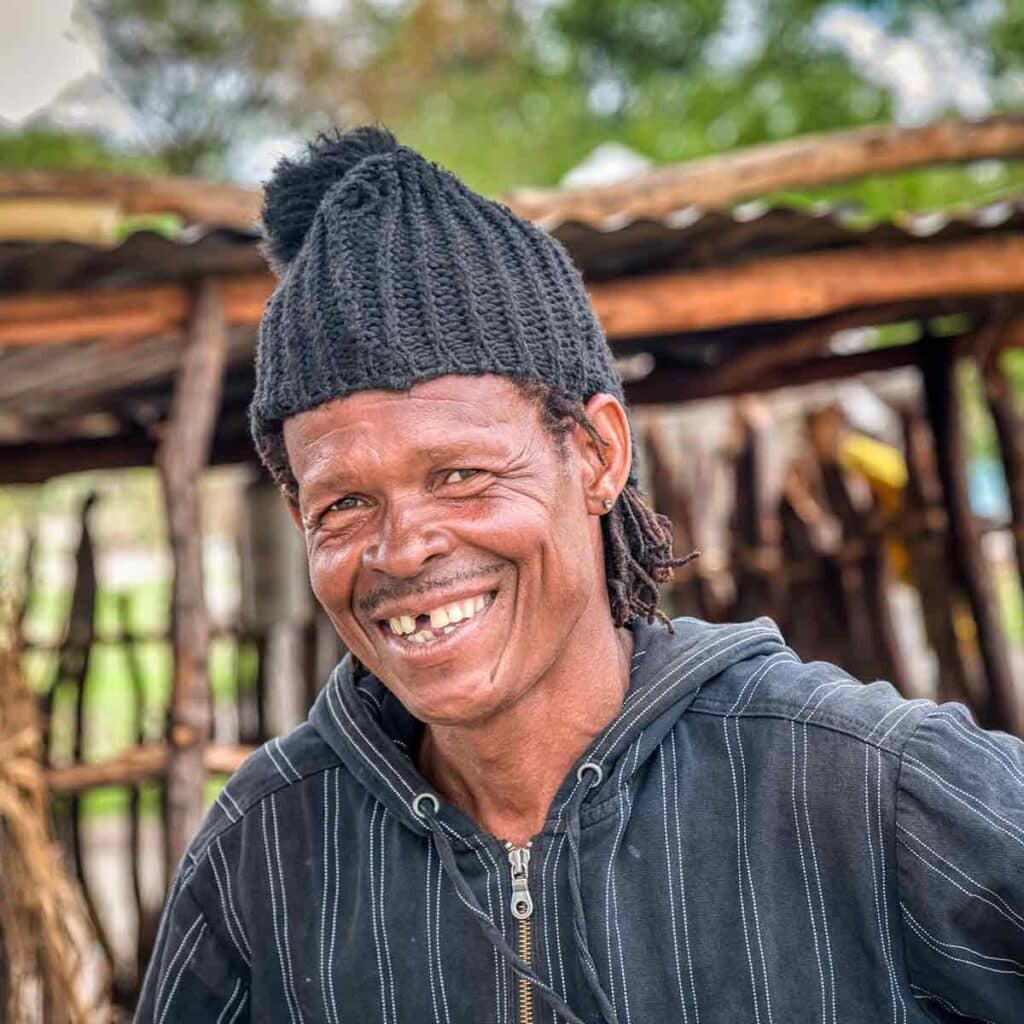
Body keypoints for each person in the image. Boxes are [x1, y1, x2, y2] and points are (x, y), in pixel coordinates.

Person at [135, 125, 1024, 1024]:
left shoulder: (865, 785)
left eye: (460, 475)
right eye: (345, 505)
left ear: (598, 454)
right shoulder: (265, 858)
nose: (402, 550)